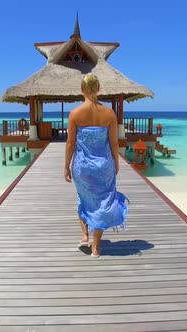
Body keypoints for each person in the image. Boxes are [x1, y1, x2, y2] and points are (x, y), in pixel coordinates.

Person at [64, 73, 129, 258]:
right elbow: (114, 142)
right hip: (104, 166)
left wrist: (66, 166)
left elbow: (70, 143)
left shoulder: (75, 114)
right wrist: (116, 163)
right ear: (99, 89)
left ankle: (85, 235)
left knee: (84, 199)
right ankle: (96, 247)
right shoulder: (109, 113)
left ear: (82, 90)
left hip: (82, 167)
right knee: (102, 202)